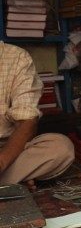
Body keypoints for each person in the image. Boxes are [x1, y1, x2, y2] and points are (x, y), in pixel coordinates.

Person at [0, 42, 75, 188]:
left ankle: (7, 181)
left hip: (8, 149)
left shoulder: (16, 57)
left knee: (60, 149)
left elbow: (27, 121)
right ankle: (12, 182)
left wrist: (2, 161)